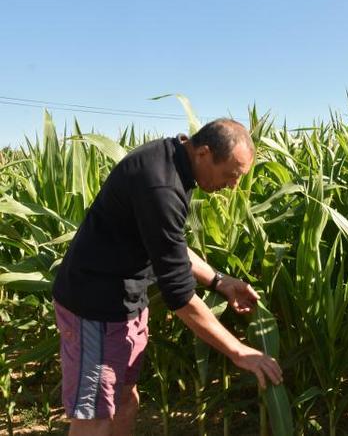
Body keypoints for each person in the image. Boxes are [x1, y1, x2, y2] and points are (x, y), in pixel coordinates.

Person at [52, 118, 283, 436]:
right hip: (95, 308)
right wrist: (238, 351)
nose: (234, 186)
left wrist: (218, 281)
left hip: (126, 304)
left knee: (125, 401)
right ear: (203, 153)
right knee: (95, 418)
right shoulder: (160, 183)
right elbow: (179, 296)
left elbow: (169, 244)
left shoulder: (175, 160)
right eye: (231, 175)